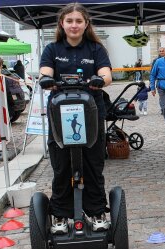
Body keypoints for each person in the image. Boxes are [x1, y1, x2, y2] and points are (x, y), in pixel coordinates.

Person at [39, 3, 112, 234]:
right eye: (69, 21)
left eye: (78, 21)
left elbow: (106, 74)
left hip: (91, 116)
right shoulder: (52, 49)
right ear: (62, 23)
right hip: (60, 118)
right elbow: (45, 72)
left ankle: (97, 212)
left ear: (86, 24)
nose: (74, 25)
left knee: (93, 166)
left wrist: (101, 80)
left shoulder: (95, 50)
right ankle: (60, 215)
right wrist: (45, 79)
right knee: (61, 168)